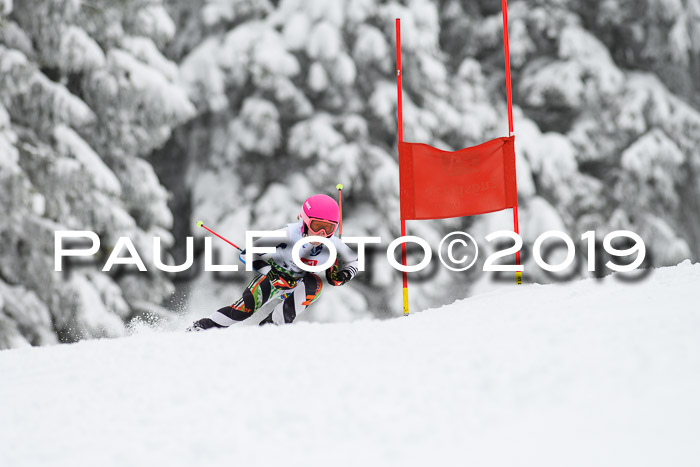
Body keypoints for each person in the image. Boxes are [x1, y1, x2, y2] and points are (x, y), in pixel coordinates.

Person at [186, 194, 358, 331]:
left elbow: (355, 261)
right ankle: (201, 328)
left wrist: (345, 274)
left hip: (300, 283)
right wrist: (271, 272)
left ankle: (271, 329)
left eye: (328, 229)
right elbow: (248, 254)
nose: (321, 234)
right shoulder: (288, 235)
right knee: (243, 310)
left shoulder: (333, 243)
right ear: (304, 222)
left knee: (314, 284)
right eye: (317, 226)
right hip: (275, 277)